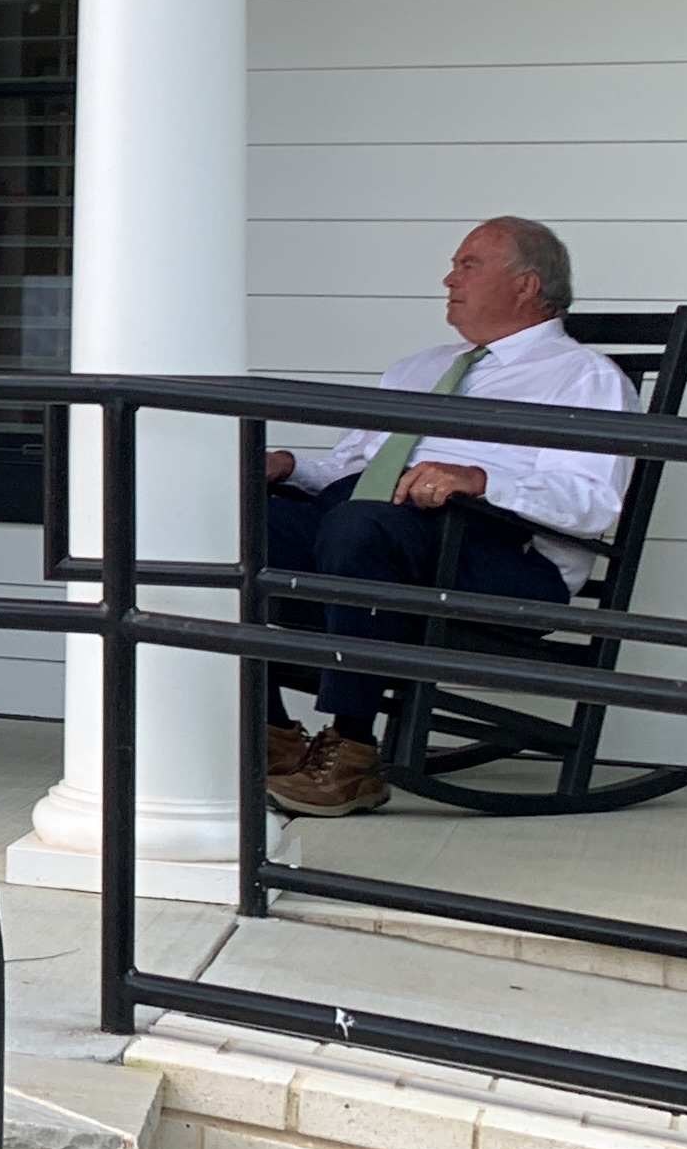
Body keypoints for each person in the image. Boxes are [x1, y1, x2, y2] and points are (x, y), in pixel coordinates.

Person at [256, 217, 630, 818]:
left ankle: (351, 750)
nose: (448, 278)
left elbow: (589, 502)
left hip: (498, 557)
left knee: (362, 525)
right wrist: (289, 464)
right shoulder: (417, 368)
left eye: (468, 265)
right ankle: (272, 735)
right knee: (241, 521)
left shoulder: (583, 378)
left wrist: (482, 481)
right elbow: (356, 464)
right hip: (377, 531)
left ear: (527, 285)